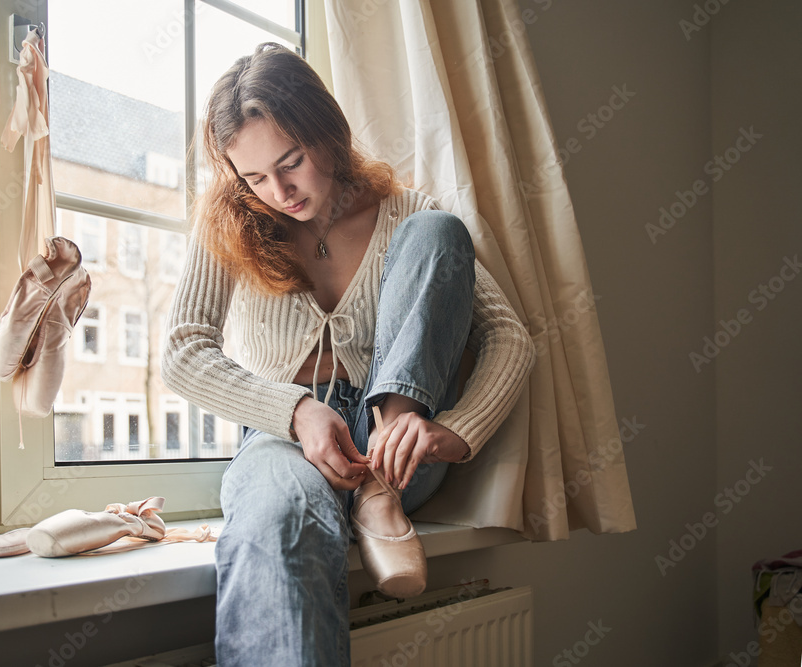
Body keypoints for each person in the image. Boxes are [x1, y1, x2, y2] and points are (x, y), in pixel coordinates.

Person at [162, 42, 535, 667]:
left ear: (326, 133)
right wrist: (299, 413)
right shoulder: (226, 221)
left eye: (292, 162)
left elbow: (510, 338)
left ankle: (380, 485)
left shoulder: (406, 213)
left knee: (441, 232)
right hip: (284, 440)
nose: (279, 191)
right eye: (253, 178)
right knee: (278, 518)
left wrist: (453, 431)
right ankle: (356, 496)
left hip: (397, 443)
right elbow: (182, 352)